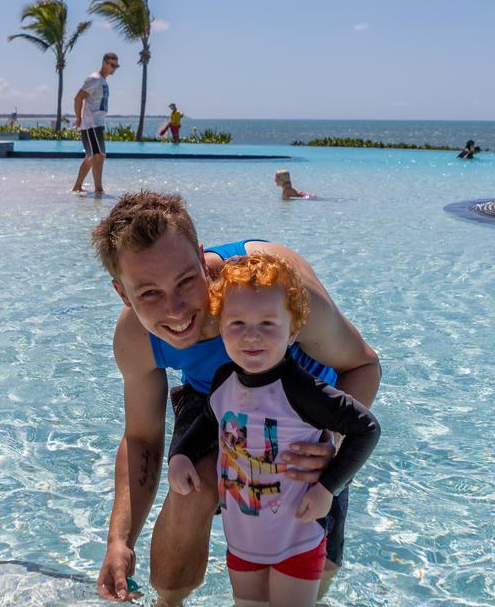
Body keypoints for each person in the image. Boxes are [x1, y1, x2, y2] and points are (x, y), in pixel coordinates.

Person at [91, 192, 381, 605]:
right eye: (149, 294)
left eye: (186, 282)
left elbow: (363, 366)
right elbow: (141, 438)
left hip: (302, 409)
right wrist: (120, 540)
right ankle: (168, 602)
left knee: (309, 579)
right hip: (212, 395)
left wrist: (330, 445)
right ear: (123, 293)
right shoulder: (136, 338)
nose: (174, 311)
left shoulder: (275, 287)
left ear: (201, 257)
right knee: (190, 486)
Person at [169, 253, 379, 607]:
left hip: (297, 537)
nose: (252, 336)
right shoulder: (222, 382)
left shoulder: (302, 390)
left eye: (268, 323)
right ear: (220, 327)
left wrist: (329, 487)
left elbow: (367, 430)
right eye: (237, 324)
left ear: (293, 330)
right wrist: (180, 455)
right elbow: (208, 419)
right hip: (243, 538)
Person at [72, 53, 118, 193]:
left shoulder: (103, 81)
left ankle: (78, 187)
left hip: (97, 122)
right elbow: (78, 98)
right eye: (112, 65)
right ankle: (98, 189)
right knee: (99, 155)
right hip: (92, 123)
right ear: (104, 63)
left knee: (92, 156)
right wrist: (79, 118)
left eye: (116, 66)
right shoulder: (95, 79)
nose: (114, 68)